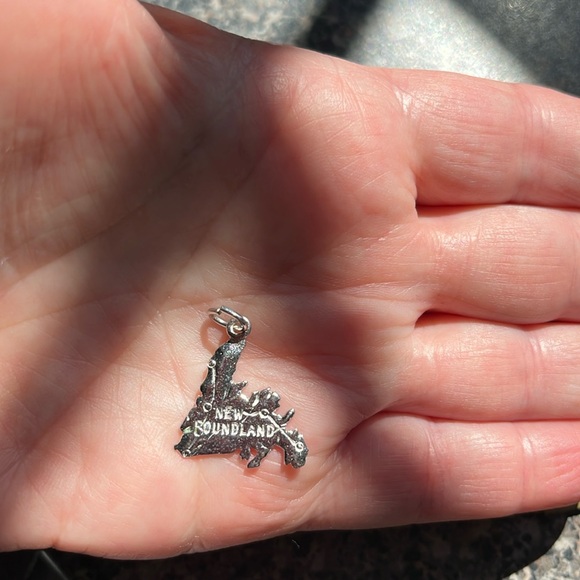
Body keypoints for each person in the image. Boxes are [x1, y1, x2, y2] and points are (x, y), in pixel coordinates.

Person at [1, 0, 579, 558]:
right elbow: (226, 394)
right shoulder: (240, 413)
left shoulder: (248, 419)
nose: (273, 406)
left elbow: (231, 400)